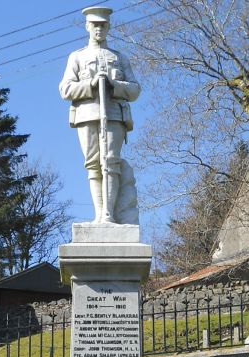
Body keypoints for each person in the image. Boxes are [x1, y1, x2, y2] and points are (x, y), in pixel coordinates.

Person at [59, 6, 140, 223]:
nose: (99, 29)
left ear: (109, 27)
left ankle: (109, 215)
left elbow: (134, 89)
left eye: (103, 25)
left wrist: (113, 85)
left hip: (114, 115)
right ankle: (98, 214)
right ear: (87, 26)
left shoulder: (119, 57)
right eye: (95, 25)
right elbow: (65, 89)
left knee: (111, 162)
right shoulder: (77, 57)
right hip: (86, 115)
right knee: (93, 164)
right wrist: (91, 84)